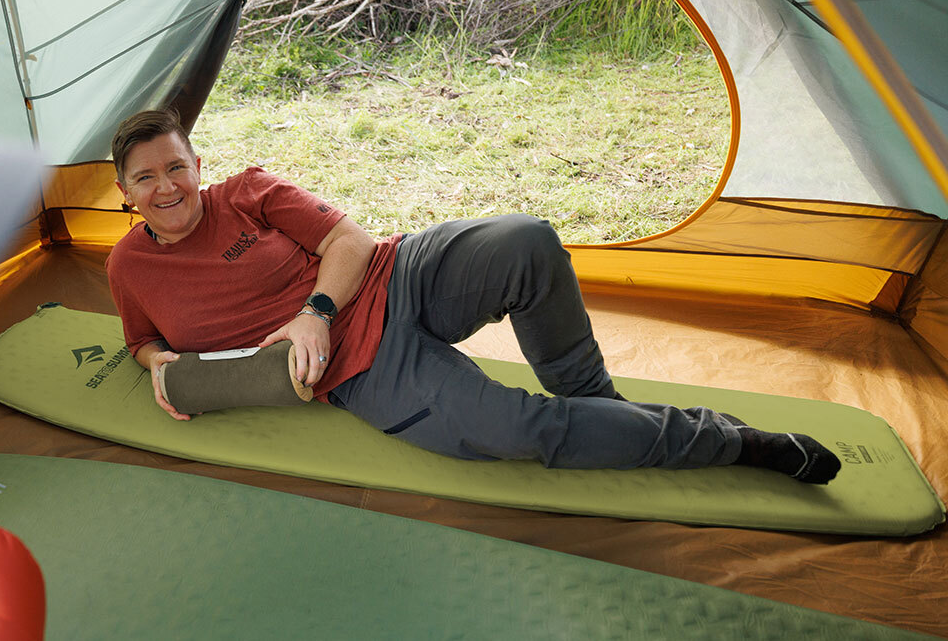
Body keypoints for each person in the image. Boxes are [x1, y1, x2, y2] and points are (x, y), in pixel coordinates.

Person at [106, 109, 840, 484]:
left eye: (177, 167)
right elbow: (142, 340)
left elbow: (351, 242)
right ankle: (731, 442)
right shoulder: (129, 266)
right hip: (360, 369)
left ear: (198, 164)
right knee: (522, 429)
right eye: (146, 177)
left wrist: (314, 313)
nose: (167, 187)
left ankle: (598, 404)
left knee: (528, 240)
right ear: (123, 190)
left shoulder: (247, 191)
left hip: (394, 273)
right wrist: (163, 366)